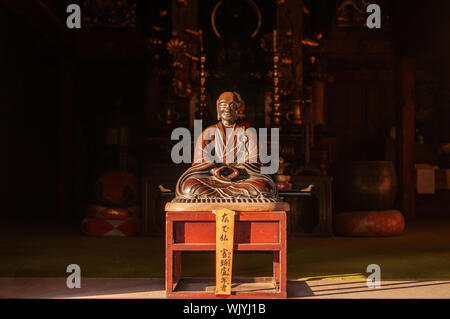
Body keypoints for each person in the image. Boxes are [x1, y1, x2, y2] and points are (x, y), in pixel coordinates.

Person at [175, 91, 277, 199]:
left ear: (238, 109)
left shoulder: (248, 133)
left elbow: (254, 160)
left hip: (241, 179)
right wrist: (215, 170)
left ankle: (217, 196)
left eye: (232, 105)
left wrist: (238, 170)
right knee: (189, 186)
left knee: (262, 186)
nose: (227, 109)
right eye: (223, 105)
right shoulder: (209, 133)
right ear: (217, 107)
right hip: (213, 179)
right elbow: (199, 161)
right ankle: (232, 196)